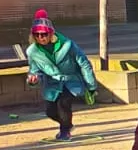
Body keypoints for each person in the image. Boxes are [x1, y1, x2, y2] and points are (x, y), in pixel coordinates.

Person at [24, 9, 98, 141]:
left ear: (51, 33)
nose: (41, 37)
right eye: (37, 35)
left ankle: (64, 132)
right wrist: (33, 79)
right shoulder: (32, 51)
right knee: (50, 112)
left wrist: (91, 86)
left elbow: (84, 63)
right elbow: (35, 70)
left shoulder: (68, 45)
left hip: (71, 81)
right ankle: (67, 125)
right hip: (52, 84)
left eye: (44, 34)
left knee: (64, 104)